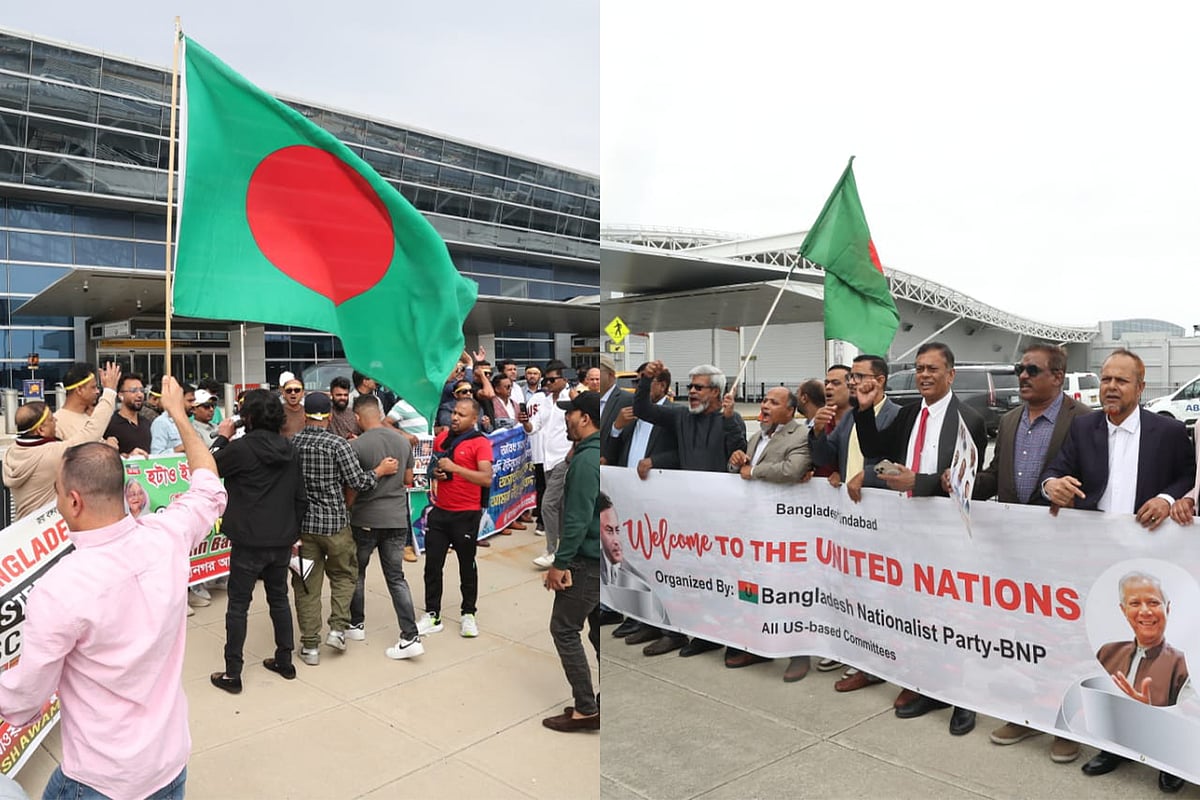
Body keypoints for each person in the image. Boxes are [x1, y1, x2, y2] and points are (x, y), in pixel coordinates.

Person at [0, 376, 225, 798]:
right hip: (168, 763)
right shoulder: (167, 536)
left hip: (100, 779)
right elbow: (210, 487)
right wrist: (179, 413)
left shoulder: (60, 590)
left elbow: (22, 702)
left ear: (73, 501)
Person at [1041, 349, 1194, 791]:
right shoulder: (1084, 426)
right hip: (1100, 563)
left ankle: (1170, 754)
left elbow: (1189, 479)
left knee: (1167, 660)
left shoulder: (1166, 431)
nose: (1110, 387)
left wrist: (1166, 500)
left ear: (1141, 388)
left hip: (1156, 563)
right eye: (1106, 378)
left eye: (1121, 381)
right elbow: (1055, 472)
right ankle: (1116, 744)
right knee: (1115, 659)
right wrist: (1055, 485)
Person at [962, 344, 1092, 762]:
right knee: (1019, 635)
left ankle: (1067, 724)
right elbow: (996, 474)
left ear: (1057, 376)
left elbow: (1094, 482)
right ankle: (1026, 713)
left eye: (1031, 369)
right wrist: (959, 484)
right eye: (1019, 369)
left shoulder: (1084, 421)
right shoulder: (1011, 419)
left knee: (1063, 639)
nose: (1022, 376)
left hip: (1062, 549)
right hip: (1013, 549)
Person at [853, 341, 987, 737]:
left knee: (952, 615)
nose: (924, 375)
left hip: (947, 534)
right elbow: (875, 450)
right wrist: (863, 408)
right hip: (907, 530)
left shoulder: (970, 419)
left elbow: (967, 482)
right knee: (916, 611)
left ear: (951, 374)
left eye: (932, 368)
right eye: (918, 368)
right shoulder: (911, 413)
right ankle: (928, 686)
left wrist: (921, 481)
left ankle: (963, 697)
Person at [633, 360, 746, 657]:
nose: (692, 391)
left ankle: (713, 634)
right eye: (690, 386)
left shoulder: (729, 419)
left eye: (698, 387)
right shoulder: (682, 416)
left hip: (719, 516)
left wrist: (731, 418)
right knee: (682, 572)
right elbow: (645, 411)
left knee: (715, 577)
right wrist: (646, 379)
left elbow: (737, 454)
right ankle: (679, 631)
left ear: (717, 392)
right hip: (685, 513)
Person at [208, 388, 307, 693]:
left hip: (248, 540)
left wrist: (223, 436)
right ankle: (284, 659)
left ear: (246, 417)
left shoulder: (240, 449)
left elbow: (206, 468)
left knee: (238, 604)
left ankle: (232, 673)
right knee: (278, 598)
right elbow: (300, 497)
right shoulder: (289, 448)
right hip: (281, 538)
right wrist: (294, 533)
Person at [292, 392, 397, 666]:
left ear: (305, 415)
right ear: (328, 415)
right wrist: (380, 471)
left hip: (304, 527)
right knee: (343, 576)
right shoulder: (338, 445)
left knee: (306, 586)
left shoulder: (292, 444)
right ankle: (338, 630)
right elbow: (359, 482)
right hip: (336, 524)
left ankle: (310, 646)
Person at [725, 387, 812, 676]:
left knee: (789, 591)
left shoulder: (799, 435)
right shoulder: (756, 436)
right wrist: (736, 461)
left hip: (785, 530)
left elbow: (793, 469)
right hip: (754, 527)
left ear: (790, 411)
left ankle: (798, 653)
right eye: (764, 401)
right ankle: (756, 646)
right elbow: (740, 471)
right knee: (753, 587)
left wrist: (754, 472)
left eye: (773, 402)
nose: (765, 406)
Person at [1086, 572, 1189, 793]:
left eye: (1153, 602)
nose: (1144, 611)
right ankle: (1114, 749)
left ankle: (1171, 763)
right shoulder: (1108, 652)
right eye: (1134, 603)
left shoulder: (1183, 664)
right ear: (1123, 610)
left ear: (1167, 608)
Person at [346, 394, 425, 660]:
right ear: (379, 413)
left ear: (357, 417)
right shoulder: (402, 442)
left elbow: (352, 489)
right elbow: (408, 478)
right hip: (396, 519)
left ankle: (356, 624)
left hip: (365, 520)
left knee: (357, 574)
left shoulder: (357, 447)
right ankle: (410, 635)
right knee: (396, 577)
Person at [542, 390, 601, 732]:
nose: (566, 417)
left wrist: (559, 563)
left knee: (564, 629)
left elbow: (578, 518)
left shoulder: (585, 461)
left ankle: (585, 708)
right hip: (601, 559)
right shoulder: (591, 453)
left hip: (584, 561)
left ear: (585, 418)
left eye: (570, 412)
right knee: (596, 635)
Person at [609, 363, 679, 644]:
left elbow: (681, 452)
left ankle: (663, 623)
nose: (638, 388)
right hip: (629, 497)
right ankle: (638, 616)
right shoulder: (632, 415)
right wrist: (616, 427)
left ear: (662, 385)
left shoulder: (673, 415)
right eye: (637, 382)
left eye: (645, 382)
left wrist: (656, 462)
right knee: (633, 560)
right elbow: (613, 452)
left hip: (657, 499)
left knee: (657, 561)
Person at [418, 398, 494, 639]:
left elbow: (486, 479)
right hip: (441, 511)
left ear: (474, 419)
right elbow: (434, 466)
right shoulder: (442, 438)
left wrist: (456, 468)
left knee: (466, 565)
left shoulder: (480, 443)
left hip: (467, 513)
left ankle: (468, 614)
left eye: (461, 414)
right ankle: (432, 614)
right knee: (432, 565)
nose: (454, 417)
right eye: (453, 412)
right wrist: (437, 472)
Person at [3, 364, 120, 519]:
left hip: (27, 531)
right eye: (51, 419)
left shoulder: (11, 452)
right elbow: (90, 434)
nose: (56, 420)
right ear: (41, 430)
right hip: (50, 529)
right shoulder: (51, 453)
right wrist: (110, 393)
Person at [527, 361, 572, 569]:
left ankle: (551, 550)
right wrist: (525, 422)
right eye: (547, 380)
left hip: (564, 458)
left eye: (553, 379)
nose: (549, 383)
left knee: (548, 504)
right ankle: (565, 550)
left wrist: (574, 452)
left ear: (564, 379)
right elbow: (535, 426)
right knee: (560, 507)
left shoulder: (571, 399)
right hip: (547, 460)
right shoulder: (545, 401)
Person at [53, 362, 107, 441]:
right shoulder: (57, 423)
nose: (97, 391)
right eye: (93, 387)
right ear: (79, 390)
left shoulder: (90, 416)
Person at [104, 371, 152, 457]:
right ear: (120, 395)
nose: (140, 395)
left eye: (141, 390)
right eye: (133, 391)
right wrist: (128, 457)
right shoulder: (110, 424)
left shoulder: (147, 423)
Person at [150, 383, 196, 454]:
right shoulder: (161, 423)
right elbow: (156, 454)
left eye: (194, 401)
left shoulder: (187, 422)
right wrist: (180, 448)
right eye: (190, 401)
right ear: (178, 401)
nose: (193, 405)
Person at [279, 373, 307, 439]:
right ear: (283, 393)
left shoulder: (308, 411)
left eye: (297, 390)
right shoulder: (277, 412)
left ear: (303, 393)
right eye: (289, 390)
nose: (293, 393)